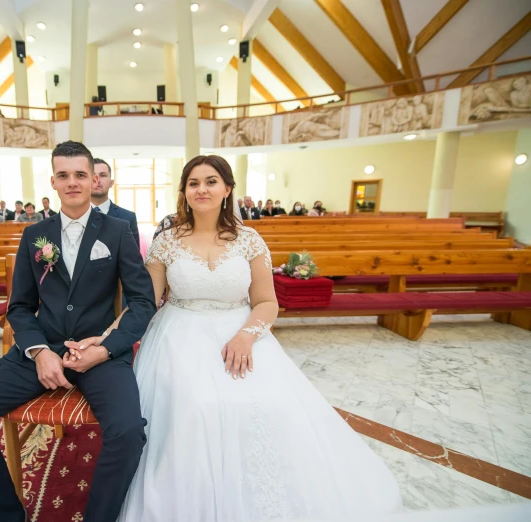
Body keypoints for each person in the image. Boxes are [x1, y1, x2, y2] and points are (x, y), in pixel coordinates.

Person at [116, 155, 402, 521]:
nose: (201, 189)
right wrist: (108, 336)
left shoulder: (249, 240)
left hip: (242, 329)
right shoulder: (166, 243)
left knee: (269, 405)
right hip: (178, 334)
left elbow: (267, 302)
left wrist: (247, 336)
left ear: (227, 189)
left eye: (211, 181)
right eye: (193, 183)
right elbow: (145, 303)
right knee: (196, 409)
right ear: (184, 192)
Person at [0, 141, 156, 522]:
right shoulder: (34, 235)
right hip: (38, 351)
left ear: (94, 180)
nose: (72, 182)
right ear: (53, 181)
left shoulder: (120, 231)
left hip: (100, 354)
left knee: (127, 433)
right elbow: (19, 306)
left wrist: (106, 349)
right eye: (63, 175)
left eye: (80, 175)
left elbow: (142, 302)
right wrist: (39, 351)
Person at [92, 158, 140, 246]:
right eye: (92, 175)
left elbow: (132, 257)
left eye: (102, 175)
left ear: (111, 183)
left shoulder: (128, 217)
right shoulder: (74, 215)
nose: (97, 180)